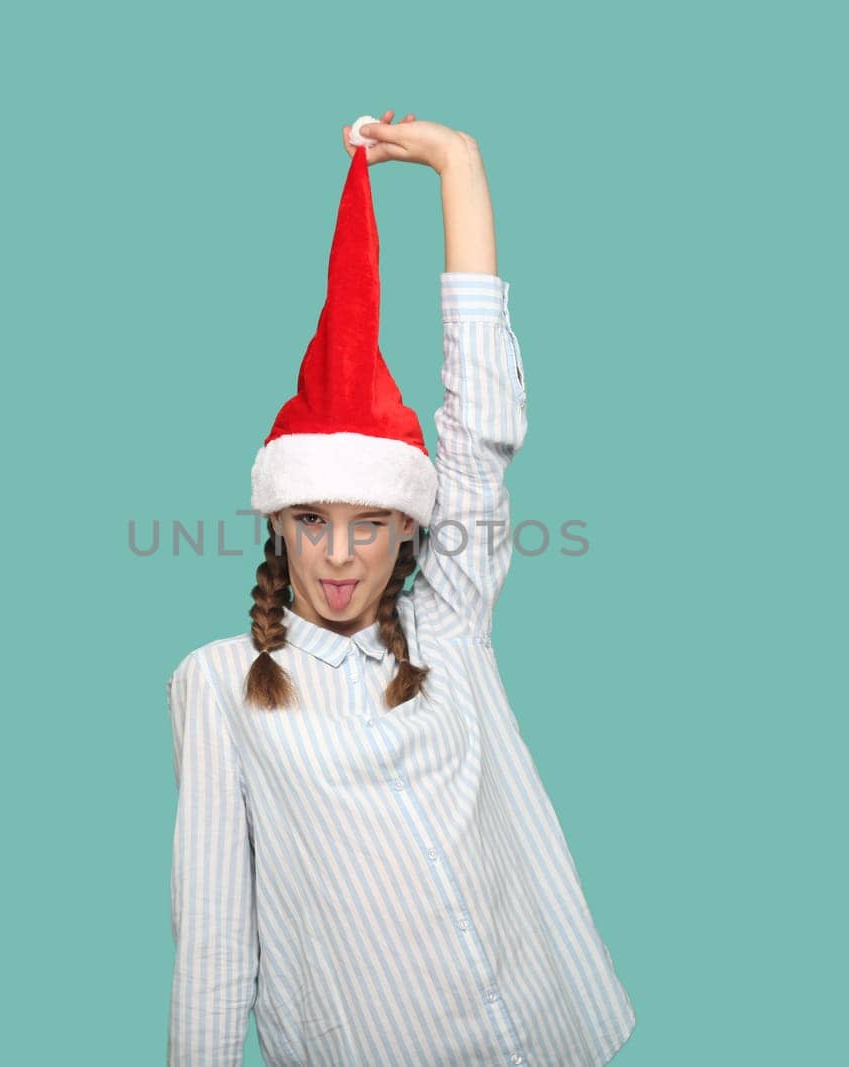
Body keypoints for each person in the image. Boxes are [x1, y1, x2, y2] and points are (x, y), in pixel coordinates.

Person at [166, 110, 638, 1066]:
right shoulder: (219, 684)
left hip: (540, 1031)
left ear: (409, 526)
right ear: (277, 526)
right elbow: (215, 943)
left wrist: (459, 168)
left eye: (369, 522)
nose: (340, 556)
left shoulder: (448, 627)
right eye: (312, 522)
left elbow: (480, 428)